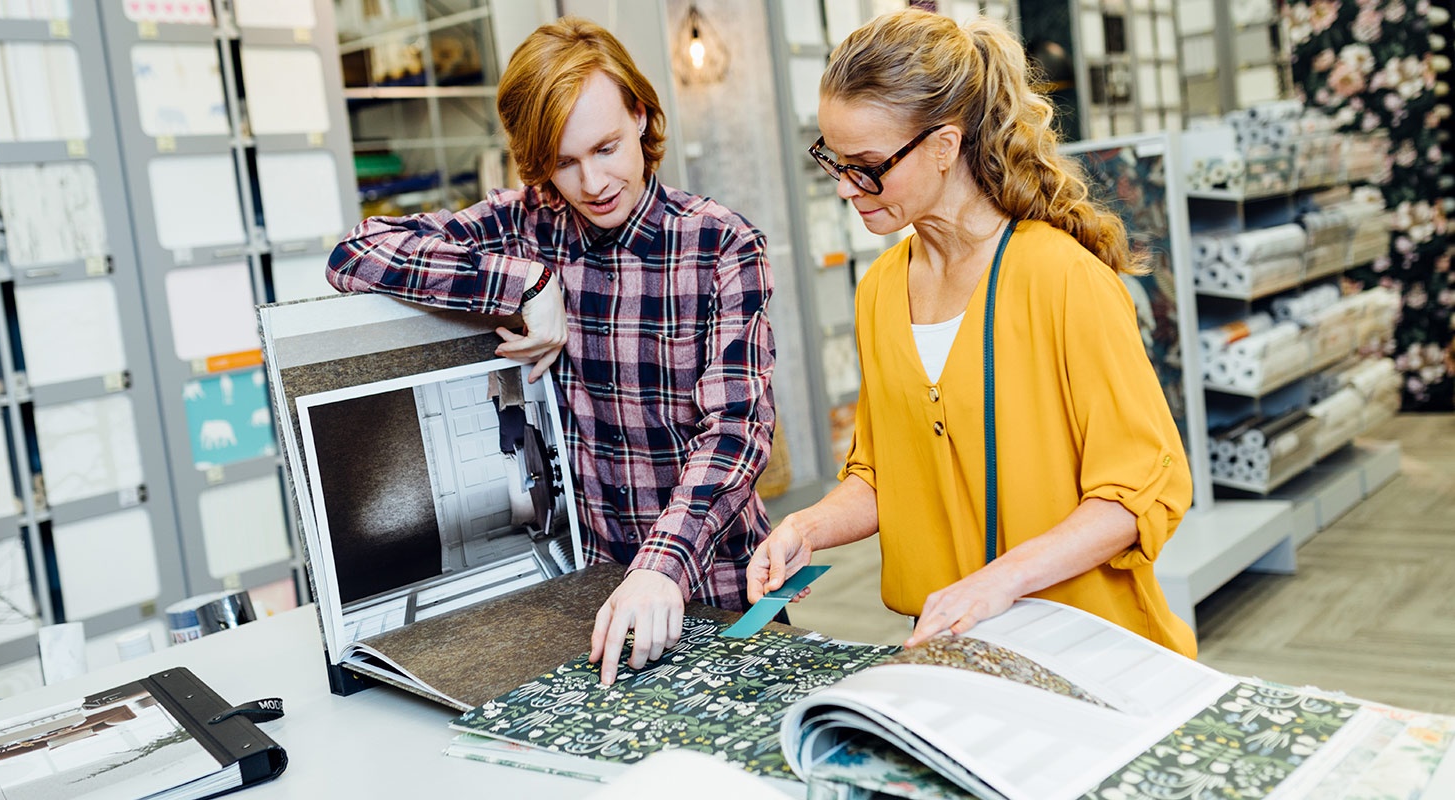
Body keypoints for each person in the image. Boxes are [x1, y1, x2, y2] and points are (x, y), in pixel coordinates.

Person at [327, 17, 776, 685]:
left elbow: (739, 431)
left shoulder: (721, 244)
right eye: (565, 162)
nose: (593, 181)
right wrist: (527, 282)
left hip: (717, 583)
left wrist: (661, 567)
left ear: (643, 116)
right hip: (586, 599)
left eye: (607, 147)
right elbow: (354, 254)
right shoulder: (521, 226)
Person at [746, 9, 1196, 657]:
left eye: (867, 164)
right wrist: (807, 526)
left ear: (943, 146)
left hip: (1090, 652)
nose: (846, 187)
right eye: (832, 160)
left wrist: (999, 582)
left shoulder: (1063, 278)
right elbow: (882, 473)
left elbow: (1136, 496)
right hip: (954, 652)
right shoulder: (879, 293)